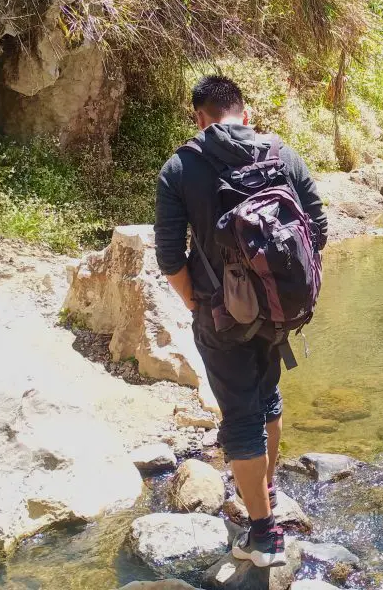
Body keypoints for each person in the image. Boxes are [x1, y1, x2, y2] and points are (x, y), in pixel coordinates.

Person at [154, 75, 327, 568]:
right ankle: (265, 488)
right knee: (267, 395)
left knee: (240, 418)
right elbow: (317, 225)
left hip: (220, 314)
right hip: (280, 309)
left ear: (199, 117)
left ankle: (263, 535)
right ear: (244, 113)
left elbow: (170, 257)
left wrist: (197, 305)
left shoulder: (180, 166)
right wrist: (289, 284)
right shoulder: (281, 153)